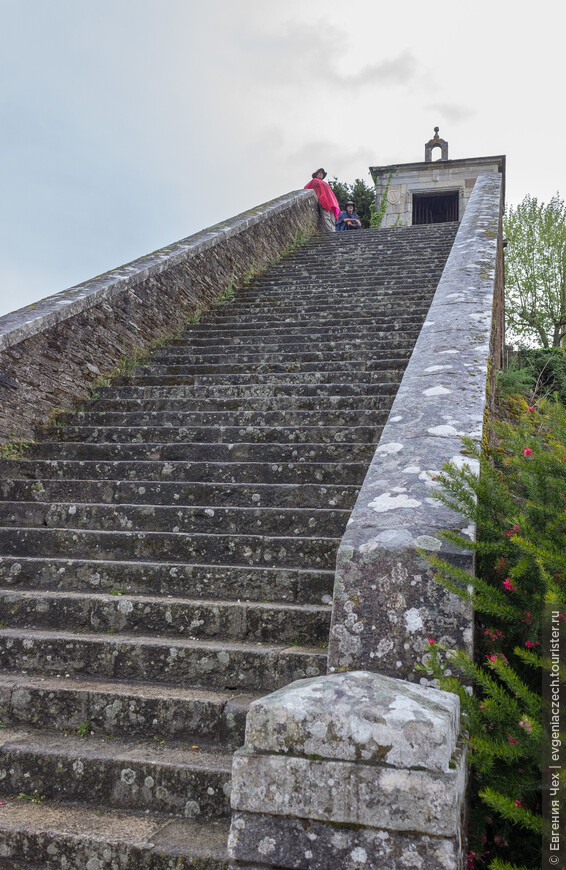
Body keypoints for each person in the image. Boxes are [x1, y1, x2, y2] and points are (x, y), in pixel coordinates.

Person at [304, 168, 340, 233]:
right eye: (319, 172)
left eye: (322, 173)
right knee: (326, 217)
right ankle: (330, 232)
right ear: (316, 174)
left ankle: (333, 232)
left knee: (332, 218)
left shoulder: (324, 183)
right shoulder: (315, 181)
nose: (321, 174)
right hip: (323, 201)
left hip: (330, 202)